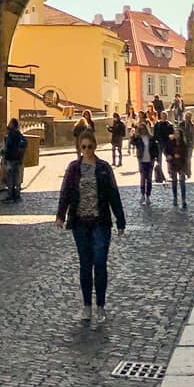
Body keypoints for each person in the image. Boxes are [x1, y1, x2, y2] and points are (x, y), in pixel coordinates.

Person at [55, 127, 126, 326]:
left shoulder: (103, 168)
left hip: (101, 222)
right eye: (83, 147)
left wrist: (120, 220)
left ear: (94, 146)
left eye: (89, 146)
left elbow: (113, 193)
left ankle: (100, 305)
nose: (86, 150)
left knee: (100, 263)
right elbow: (66, 193)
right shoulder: (73, 168)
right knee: (85, 265)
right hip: (80, 223)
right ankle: (87, 305)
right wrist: (61, 215)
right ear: (80, 147)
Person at [129, 115, 156, 203]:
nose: (142, 130)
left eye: (143, 128)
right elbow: (132, 143)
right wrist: (133, 134)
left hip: (150, 160)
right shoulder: (138, 139)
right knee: (142, 177)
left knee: (149, 178)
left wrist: (156, 158)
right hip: (141, 160)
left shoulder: (151, 138)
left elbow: (155, 149)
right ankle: (142, 195)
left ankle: (148, 196)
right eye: (141, 129)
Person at [1, 118, 28, 202]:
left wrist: (5, 153)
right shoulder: (17, 133)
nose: (8, 124)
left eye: (10, 123)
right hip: (16, 158)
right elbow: (25, 142)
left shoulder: (13, 133)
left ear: (13, 124)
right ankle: (16, 196)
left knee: (11, 178)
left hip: (11, 158)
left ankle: (11, 196)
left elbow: (9, 146)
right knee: (15, 177)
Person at [168, 117, 192, 208]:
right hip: (173, 164)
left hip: (181, 164)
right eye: (175, 133)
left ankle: (183, 199)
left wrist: (187, 167)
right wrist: (170, 156)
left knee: (182, 182)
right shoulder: (171, 142)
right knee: (174, 182)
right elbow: (167, 151)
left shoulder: (183, 144)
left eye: (178, 133)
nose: (176, 134)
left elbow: (186, 155)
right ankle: (175, 198)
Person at [152, 110, 175, 188]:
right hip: (159, 143)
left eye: (164, 115)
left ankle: (170, 173)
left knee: (169, 159)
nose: (163, 117)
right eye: (162, 115)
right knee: (159, 160)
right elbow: (154, 135)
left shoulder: (169, 124)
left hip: (167, 144)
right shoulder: (157, 124)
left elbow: (172, 135)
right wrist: (154, 143)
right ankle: (160, 175)